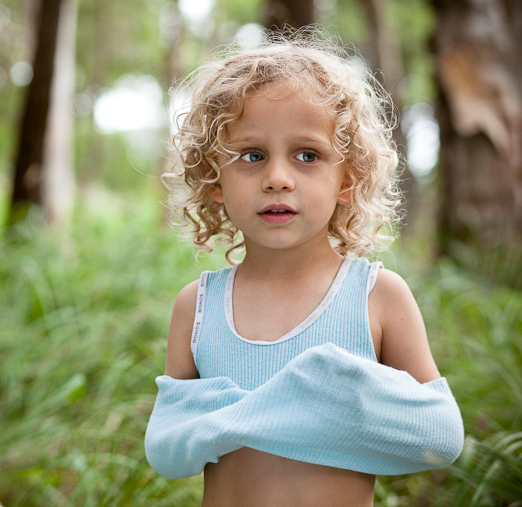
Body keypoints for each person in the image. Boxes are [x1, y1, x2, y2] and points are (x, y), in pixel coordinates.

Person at [144, 28, 463, 507]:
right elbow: (167, 450)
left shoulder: (376, 296)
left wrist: (330, 384)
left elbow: (441, 436)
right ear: (215, 180)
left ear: (347, 179)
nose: (277, 178)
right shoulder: (198, 306)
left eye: (307, 155)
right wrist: (285, 401)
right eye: (251, 156)